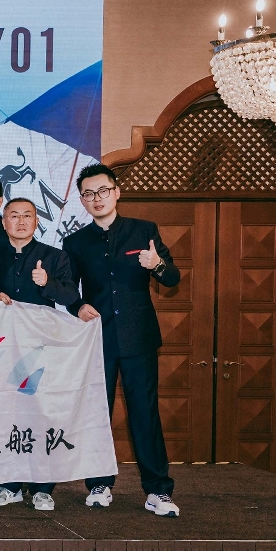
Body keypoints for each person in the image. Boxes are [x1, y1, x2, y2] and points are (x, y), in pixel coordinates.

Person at [63, 164, 181, 518]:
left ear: (116, 192)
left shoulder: (143, 231)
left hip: (138, 338)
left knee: (145, 413)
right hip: (96, 338)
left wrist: (157, 264)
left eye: (103, 191)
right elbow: (68, 287)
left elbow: (172, 278)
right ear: (82, 200)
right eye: (88, 193)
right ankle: (99, 484)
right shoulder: (75, 242)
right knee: (98, 413)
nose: (96, 198)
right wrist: (76, 305)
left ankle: (158, 490)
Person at [0, 197, 80, 512]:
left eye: (28, 215)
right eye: (14, 216)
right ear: (3, 222)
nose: (21, 221)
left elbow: (71, 296)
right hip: (3, 349)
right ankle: (10, 484)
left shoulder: (54, 256)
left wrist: (47, 282)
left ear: (37, 221)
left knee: (41, 415)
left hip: (41, 348)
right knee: (6, 415)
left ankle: (43, 488)